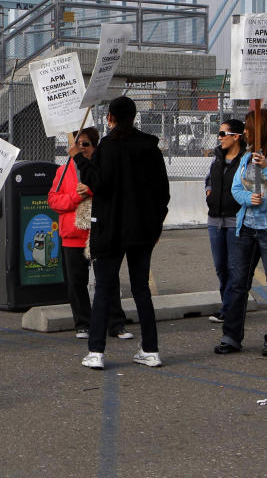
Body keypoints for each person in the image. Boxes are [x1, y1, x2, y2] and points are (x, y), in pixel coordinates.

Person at [73, 96, 169, 370]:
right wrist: (156, 225)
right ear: (134, 116)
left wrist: (80, 159)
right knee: (141, 289)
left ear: (110, 118)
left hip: (110, 228)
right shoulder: (150, 146)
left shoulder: (109, 146)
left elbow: (98, 183)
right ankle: (150, 349)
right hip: (142, 230)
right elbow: (163, 192)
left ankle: (96, 351)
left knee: (104, 288)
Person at [216, 108, 267, 358]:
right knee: (238, 283)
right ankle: (231, 336)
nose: (247, 132)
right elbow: (237, 189)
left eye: (250, 128)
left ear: (263, 128)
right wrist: (248, 198)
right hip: (247, 227)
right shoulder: (247, 156)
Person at [48, 127, 132, 341]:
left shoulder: (102, 169)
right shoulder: (63, 170)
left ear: (94, 147)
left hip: (99, 233)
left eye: (85, 144)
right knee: (77, 282)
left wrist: (91, 190)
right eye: (77, 144)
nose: (81, 148)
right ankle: (83, 323)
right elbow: (54, 201)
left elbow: (111, 192)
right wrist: (76, 197)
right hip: (72, 234)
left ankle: (116, 324)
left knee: (108, 279)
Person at [204, 119, 246, 323]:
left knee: (233, 266)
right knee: (220, 266)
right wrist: (209, 193)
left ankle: (229, 308)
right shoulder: (218, 157)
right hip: (215, 219)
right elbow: (209, 179)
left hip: (234, 218)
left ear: (236, 136)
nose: (219, 138)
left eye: (223, 134)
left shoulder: (245, 160)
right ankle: (228, 303)